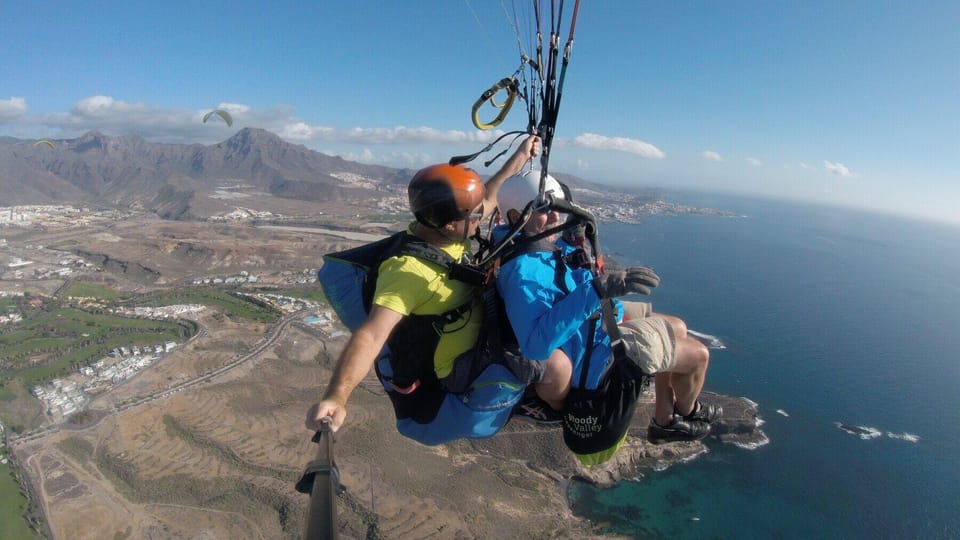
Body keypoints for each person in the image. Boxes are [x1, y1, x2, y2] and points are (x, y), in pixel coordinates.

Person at [304, 135, 547, 444]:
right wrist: (337, 398)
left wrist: (521, 156)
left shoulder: (445, 229)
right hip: (456, 371)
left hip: (471, 335)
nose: (481, 216)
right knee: (538, 355)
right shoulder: (408, 273)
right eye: (473, 215)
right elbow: (371, 335)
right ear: (448, 224)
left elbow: (490, 196)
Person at [494, 170, 721, 459]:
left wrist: (572, 241)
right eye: (544, 210)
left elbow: (554, 268)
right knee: (699, 356)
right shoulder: (520, 273)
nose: (554, 217)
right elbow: (536, 345)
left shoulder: (531, 244)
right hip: (591, 355)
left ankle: (665, 418)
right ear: (515, 217)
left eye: (556, 209)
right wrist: (598, 290)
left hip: (595, 324)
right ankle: (688, 412)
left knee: (677, 326)